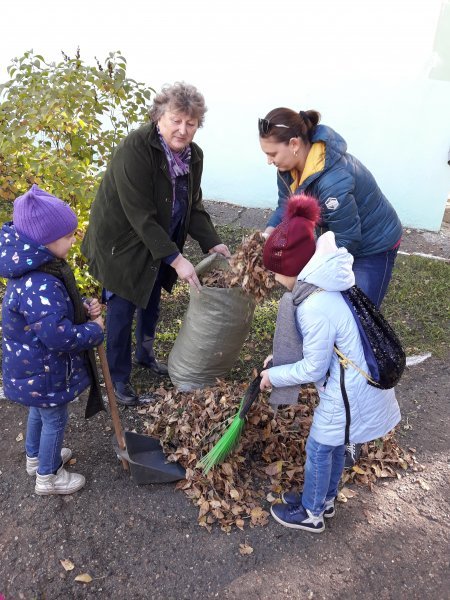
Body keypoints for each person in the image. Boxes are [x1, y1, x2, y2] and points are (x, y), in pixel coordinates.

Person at [82, 82, 230, 406]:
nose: (183, 129)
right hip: (122, 243)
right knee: (122, 310)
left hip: (158, 240)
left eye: (191, 123)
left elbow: (194, 205)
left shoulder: (194, 156)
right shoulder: (134, 149)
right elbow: (140, 215)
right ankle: (118, 380)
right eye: (176, 120)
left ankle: (145, 357)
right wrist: (177, 260)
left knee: (151, 302)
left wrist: (212, 243)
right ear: (159, 116)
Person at [259, 194, 401, 533]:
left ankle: (311, 513)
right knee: (334, 445)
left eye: (278, 273)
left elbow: (313, 368)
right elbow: (320, 348)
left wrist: (273, 377)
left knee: (320, 449)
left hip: (346, 391)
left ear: (293, 268)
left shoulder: (314, 306)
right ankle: (323, 498)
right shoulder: (325, 287)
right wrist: (277, 361)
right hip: (349, 383)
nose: (277, 280)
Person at [0, 185, 105, 496]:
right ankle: (48, 477)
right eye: (68, 236)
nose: (73, 241)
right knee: (55, 417)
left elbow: (55, 308)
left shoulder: (38, 267)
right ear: (44, 240)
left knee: (40, 411)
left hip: (34, 370)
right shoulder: (39, 282)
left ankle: (35, 458)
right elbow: (57, 335)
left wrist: (83, 306)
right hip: (44, 370)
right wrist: (94, 330)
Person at [258, 108, 403, 309]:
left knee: (359, 314)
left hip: (375, 243)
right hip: (345, 235)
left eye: (272, 153)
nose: (269, 160)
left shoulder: (332, 180)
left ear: (294, 144)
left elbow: (347, 240)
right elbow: (286, 206)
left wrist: (304, 269)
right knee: (328, 307)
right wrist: (267, 236)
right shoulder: (286, 170)